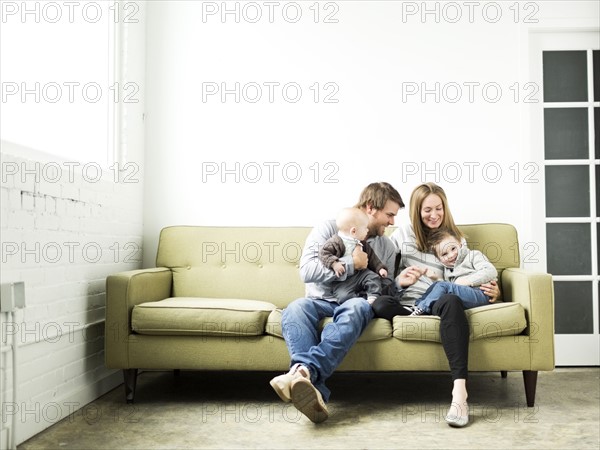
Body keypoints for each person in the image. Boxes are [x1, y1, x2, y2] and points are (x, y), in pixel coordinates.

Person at [269, 182, 405, 423]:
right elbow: (307, 271)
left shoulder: (386, 245)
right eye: (390, 214)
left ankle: (301, 373)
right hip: (319, 300)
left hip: (355, 302)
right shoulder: (329, 229)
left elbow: (386, 291)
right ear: (371, 208)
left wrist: (399, 283)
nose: (393, 222)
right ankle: (313, 387)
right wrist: (353, 265)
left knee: (359, 307)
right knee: (295, 308)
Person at [372, 182, 500, 428]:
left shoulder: (455, 239)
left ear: (445, 208)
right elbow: (386, 279)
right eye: (426, 210)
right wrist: (400, 282)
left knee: (450, 299)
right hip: (408, 305)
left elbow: (471, 273)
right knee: (379, 304)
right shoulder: (400, 236)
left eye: (438, 208)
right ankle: (415, 311)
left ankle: (460, 394)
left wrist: (495, 289)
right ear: (416, 211)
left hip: (442, 302)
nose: (434, 215)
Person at [410, 226, 498, 316]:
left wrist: (468, 281)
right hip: (463, 298)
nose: (451, 255)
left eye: (453, 248)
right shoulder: (448, 269)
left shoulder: (473, 255)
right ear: (439, 259)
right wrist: (437, 278)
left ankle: (422, 308)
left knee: (442, 285)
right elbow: (450, 289)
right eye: (444, 254)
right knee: (436, 285)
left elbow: (490, 270)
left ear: (460, 243)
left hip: (481, 294)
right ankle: (417, 305)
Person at [319, 207, 389, 304]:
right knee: (343, 296)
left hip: (360, 274)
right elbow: (323, 253)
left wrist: (380, 268)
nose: (368, 230)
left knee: (372, 277)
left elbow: (372, 257)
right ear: (353, 231)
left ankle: (373, 296)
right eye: (365, 228)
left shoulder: (362, 243)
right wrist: (334, 264)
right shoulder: (335, 241)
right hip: (343, 280)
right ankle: (359, 301)